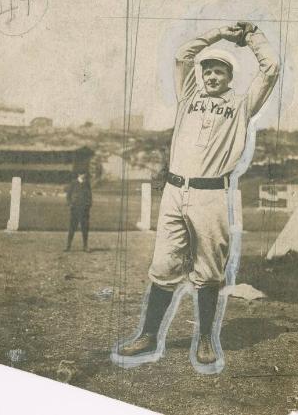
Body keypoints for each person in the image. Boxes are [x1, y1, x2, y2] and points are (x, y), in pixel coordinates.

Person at [116, 22, 279, 364]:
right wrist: (220, 32)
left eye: (219, 72)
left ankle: (205, 339)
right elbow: (182, 55)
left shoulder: (241, 105)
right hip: (175, 192)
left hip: (211, 195)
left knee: (209, 271)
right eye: (207, 70)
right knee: (163, 265)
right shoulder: (189, 96)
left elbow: (271, 68)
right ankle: (147, 336)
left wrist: (250, 36)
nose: (211, 77)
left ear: (229, 76)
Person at [64, 172, 92, 252]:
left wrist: (88, 205)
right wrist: (70, 204)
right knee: (72, 227)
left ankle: (85, 246)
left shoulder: (87, 183)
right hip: (75, 208)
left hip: (84, 209)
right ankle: (68, 246)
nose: (84, 175)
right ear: (79, 174)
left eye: (85, 174)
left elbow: (89, 195)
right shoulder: (73, 183)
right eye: (83, 173)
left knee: (85, 228)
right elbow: (68, 195)